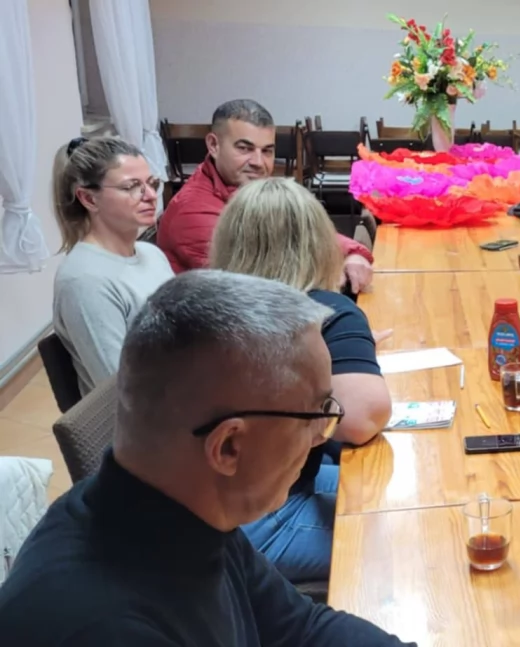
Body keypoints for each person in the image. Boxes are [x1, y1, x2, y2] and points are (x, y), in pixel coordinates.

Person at [0, 271, 412, 646]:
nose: (321, 435)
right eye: (317, 413)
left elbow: (300, 628)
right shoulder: (104, 625)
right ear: (229, 446)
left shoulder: (180, 509)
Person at [209, 177, 391, 582]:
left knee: (393, 487)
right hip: (250, 524)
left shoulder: (205, 305)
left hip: (200, 502)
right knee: (408, 538)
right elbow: (361, 419)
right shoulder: (324, 310)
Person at [156, 99, 375, 294]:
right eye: (244, 148)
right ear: (213, 145)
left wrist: (353, 253)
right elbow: (262, 280)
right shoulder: (191, 211)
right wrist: (328, 266)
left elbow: (306, 229)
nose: (259, 163)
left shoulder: (252, 188)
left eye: (267, 150)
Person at [51, 136, 174, 395]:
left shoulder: (150, 253)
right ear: (89, 199)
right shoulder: (85, 281)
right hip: (142, 422)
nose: (151, 196)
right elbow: (125, 390)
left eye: (152, 184)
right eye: (132, 187)